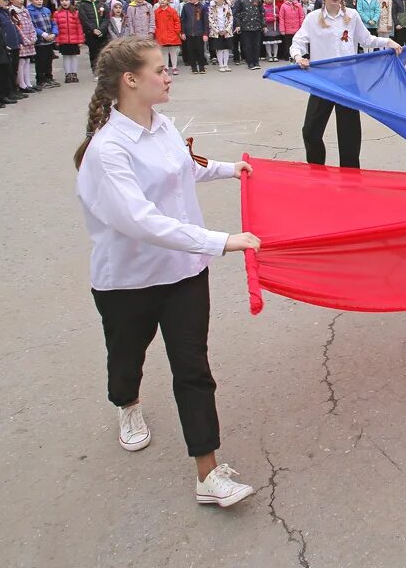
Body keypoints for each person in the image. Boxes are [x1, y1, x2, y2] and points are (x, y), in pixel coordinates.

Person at [73, 36, 260, 507]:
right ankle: (127, 405)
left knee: (193, 369)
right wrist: (221, 241)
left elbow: (184, 168)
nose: (168, 73)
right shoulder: (107, 150)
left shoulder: (164, 126)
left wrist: (228, 169)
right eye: (159, 68)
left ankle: (208, 473)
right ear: (129, 80)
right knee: (126, 359)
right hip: (128, 282)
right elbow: (140, 220)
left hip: (183, 272)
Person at [289, 0, 402, 167]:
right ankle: (317, 170)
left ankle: (350, 174)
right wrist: (299, 57)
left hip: (348, 82)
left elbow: (366, 39)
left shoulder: (352, 16)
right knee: (310, 131)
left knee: (349, 134)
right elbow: (298, 42)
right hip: (322, 82)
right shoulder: (313, 18)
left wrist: (388, 42)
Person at [53, 0, 84, 83]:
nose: (64, 2)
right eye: (62, 1)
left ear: (70, 1)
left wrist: (80, 40)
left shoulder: (75, 12)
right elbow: (56, 27)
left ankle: (74, 73)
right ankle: (68, 74)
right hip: (63, 39)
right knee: (66, 57)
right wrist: (57, 40)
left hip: (74, 39)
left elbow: (79, 27)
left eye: (66, 0)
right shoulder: (57, 13)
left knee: (73, 57)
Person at [154, 0, 182, 75]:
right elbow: (155, 22)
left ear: (168, 1)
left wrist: (177, 30)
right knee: (164, 52)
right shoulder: (156, 12)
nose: (162, 1)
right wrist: (156, 31)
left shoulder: (172, 11)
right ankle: (165, 67)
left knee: (173, 51)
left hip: (172, 34)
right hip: (161, 34)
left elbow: (177, 21)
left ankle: (174, 67)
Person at [208, 0, 234, 72]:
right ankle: (221, 65)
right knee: (219, 49)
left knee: (226, 49)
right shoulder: (212, 8)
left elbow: (230, 19)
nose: (215, 0)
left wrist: (227, 29)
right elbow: (210, 20)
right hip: (217, 32)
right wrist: (217, 30)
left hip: (226, 31)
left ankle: (226, 64)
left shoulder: (227, 7)